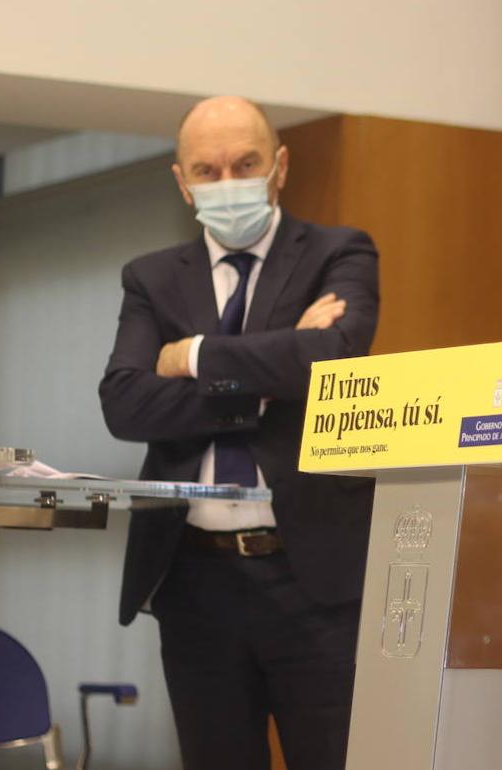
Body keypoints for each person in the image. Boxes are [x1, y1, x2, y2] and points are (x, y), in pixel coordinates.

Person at [99, 96, 379, 770]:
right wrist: (270, 378)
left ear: (280, 166)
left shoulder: (339, 252)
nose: (228, 183)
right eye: (208, 170)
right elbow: (125, 404)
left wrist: (193, 356)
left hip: (313, 578)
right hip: (194, 579)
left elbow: (332, 358)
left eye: (246, 164)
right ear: (183, 182)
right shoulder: (152, 278)